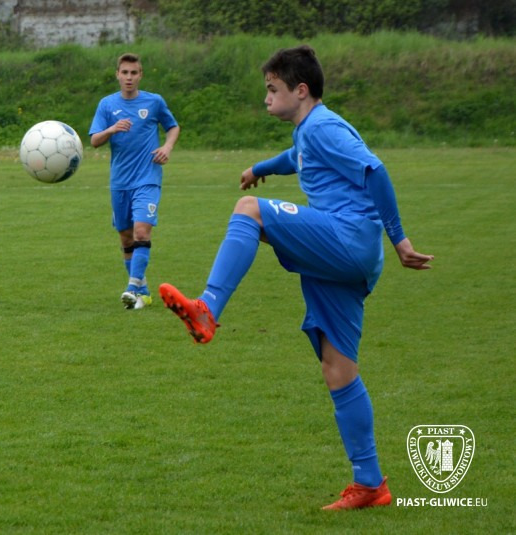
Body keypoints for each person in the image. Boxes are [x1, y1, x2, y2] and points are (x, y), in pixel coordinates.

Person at [158, 45, 434, 510]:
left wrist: (400, 239)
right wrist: (259, 169)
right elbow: (296, 157)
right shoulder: (310, 132)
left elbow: (375, 171)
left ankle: (208, 308)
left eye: (273, 89)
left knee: (249, 211)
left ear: (300, 90)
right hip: (350, 258)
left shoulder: (323, 126)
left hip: (347, 238)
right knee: (338, 369)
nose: (266, 98)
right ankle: (370, 484)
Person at [89, 53, 180, 309]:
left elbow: (173, 127)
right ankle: (144, 292)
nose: (129, 77)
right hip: (120, 181)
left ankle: (131, 288)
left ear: (140, 75)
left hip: (147, 178)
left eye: (134, 73)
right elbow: (94, 140)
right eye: (125, 73)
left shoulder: (154, 102)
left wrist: (167, 147)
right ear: (117, 75)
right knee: (126, 239)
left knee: (141, 232)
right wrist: (111, 129)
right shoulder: (107, 105)